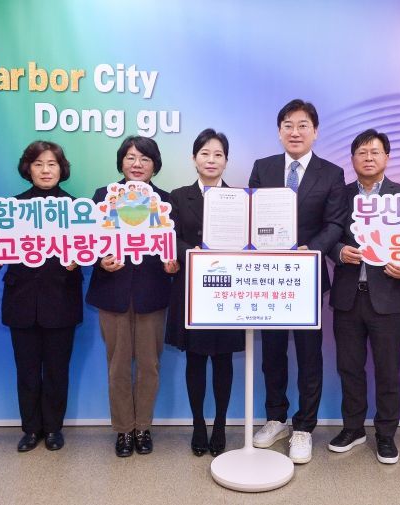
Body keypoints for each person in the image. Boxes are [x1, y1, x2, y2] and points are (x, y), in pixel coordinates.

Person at [249, 99, 347, 464]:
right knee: (272, 352)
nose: (295, 131)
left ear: (315, 131)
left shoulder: (331, 173)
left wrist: (311, 250)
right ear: (279, 131)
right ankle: (276, 418)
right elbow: (251, 216)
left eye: (303, 125)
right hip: (269, 278)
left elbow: (335, 223)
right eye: (288, 125)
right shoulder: (263, 168)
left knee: (309, 354)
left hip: (307, 276)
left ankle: (304, 427)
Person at [0, 141, 82, 452]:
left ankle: (53, 429)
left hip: (61, 299)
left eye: (52, 164)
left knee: (57, 369)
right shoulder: (12, 207)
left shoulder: (76, 208)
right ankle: (30, 430)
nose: (45, 170)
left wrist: (78, 258)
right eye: (38, 164)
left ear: (61, 169)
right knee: (26, 370)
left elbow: (90, 247)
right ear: (28, 168)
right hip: (22, 301)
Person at [327, 129, 400, 464]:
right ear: (352, 159)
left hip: (387, 298)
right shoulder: (340, 195)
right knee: (349, 367)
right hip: (348, 297)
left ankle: (386, 434)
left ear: (387, 157)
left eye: (375, 152)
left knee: (387, 370)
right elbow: (327, 233)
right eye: (361, 152)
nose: (368, 158)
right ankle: (353, 428)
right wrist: (337, 251)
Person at [86, 136, 172, 457]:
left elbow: (172, 246)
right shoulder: (102, 196)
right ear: (121, 162)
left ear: (155, 165)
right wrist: (100, 260)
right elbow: (87, 240)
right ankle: (123, 430)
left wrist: (173, 263)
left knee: (149, 365)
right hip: (113, 292)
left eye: (145, 159)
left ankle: (143, 427)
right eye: (131, 158)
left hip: (152, 292)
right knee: (118, 365)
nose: (137, 164)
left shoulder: (166, 201)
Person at [165, 128, 245, 457]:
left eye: (218, 154)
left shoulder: (239, 198)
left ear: (226, 161)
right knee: (195, 359)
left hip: (227, 290)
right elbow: (170, 236)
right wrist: (192, 253)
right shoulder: (177, 196)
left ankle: (221, 424)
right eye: (205, 154)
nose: (211, 160)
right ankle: (198, 424)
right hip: (191, 288)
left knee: (223, 359)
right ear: (194, 158)